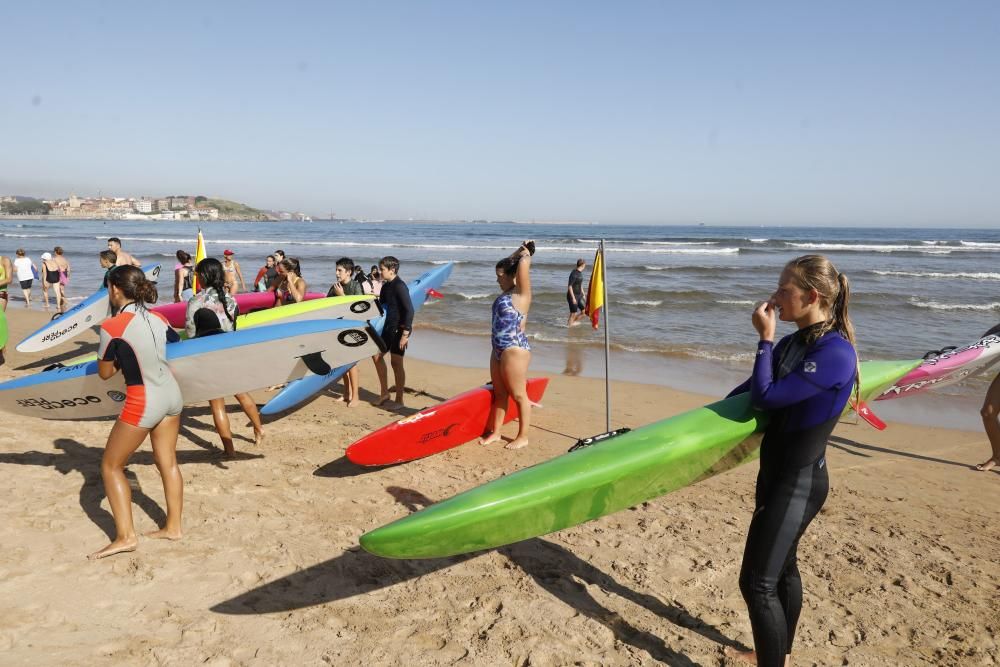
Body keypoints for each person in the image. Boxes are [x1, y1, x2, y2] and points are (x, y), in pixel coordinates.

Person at [723, 254, 858, 667]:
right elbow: (744, 395)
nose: (775, 297)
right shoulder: (792, 344)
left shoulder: (836, 353)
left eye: (785, 289)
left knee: (756, 583)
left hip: (797, 483)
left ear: (812, 295)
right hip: (774, 475)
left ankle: (772, 660)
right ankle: (776, 650)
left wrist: (763, 339)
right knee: (781, 570)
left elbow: (767, 398)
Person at [90, 265, 184, 559]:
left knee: (111, 466)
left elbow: (105, 373)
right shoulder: (159, 316)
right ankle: (173, 527)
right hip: (172, 393)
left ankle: (126, 537)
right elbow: (173, 341)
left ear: (115, 289)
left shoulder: (112, 326)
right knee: (167, 461)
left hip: (144, 399)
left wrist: (121, 357)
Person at [185, 258, 265, 456]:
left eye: (198, 275)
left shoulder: (196, 301)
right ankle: (259, 429)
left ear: (203, 277)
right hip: (229, 353)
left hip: (208, 356)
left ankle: (229, 450)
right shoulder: (231, 300)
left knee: (217, 404)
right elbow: (234, 328)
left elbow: (190, 333)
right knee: (241, 393)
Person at [480, 241, 535, 450]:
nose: (497, 280)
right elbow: (511, 264)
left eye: (500, 276)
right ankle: (496, 432)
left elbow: (522, 265)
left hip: (514, 349)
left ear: (512, 276)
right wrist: (515, 252)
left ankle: (523, 436)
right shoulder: (504, 294)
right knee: (500, 394)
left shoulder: (521, 294)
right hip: (497, 350)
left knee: (519, 395)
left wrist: (526, 253)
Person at [371, 256, 413, 408]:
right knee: (376, 356)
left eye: (382, 269)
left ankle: (399, 400)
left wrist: (405, 335)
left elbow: (409, 311)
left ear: (392, 269)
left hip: (400, 329)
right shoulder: (386, 286)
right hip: (389, 327)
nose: (380, 272)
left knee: (396, 363)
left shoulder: (400, 286)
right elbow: (382, 306)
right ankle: (384, 393)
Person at [328, 257, 365, 407]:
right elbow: (327, 306)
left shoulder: (356, 286)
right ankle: (345, 393)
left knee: (351, 364)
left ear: (349, 272)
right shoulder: (335, 287)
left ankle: (355, 396)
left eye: (340, 270)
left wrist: (342, 296)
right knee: (343, 363)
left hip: (353, 329)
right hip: (339, 328)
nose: (337, 273)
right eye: (336, 270)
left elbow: (360, 309)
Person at [566, 259, 586, 326]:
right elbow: (570, 286)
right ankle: (569, 327)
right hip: (573, 296)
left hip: (578, 296)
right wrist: (573, 298)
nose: (585, 266)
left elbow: (580, 285)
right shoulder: (574, 273)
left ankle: (571, 323)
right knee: (573, 314)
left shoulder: (580, 273)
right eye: (584, 265)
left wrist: (583, 295)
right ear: (582, 265)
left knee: (584, 312)